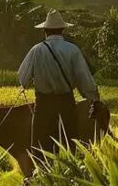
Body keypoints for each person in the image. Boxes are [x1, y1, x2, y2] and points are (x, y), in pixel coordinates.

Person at [17, 10, 100, 155]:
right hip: (66, 104)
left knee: (41, 148)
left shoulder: (36, 50)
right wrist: (94, 100)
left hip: (43, 106)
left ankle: (42, 175)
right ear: (62, 30)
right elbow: (85, 80)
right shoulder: (72, 50)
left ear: (45, 30)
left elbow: (23, 79)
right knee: (69, 148)